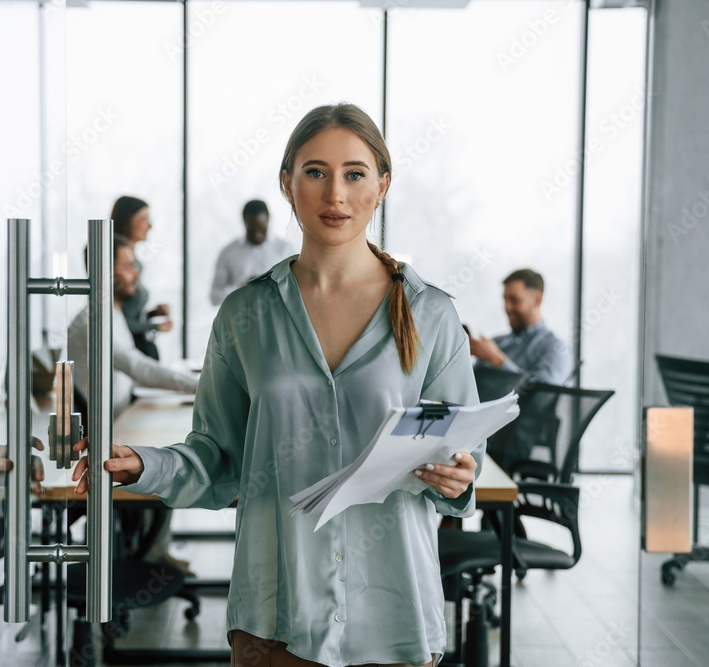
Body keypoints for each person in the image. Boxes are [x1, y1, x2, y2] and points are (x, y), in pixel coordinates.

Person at [73, 103, 483, 667]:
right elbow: (218, 460)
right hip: (274, 622)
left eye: (354, 173)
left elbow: (461, 462)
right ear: (287, 184)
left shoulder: (432, 314)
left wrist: (458, 477)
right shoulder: (246, 314)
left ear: (382, 185)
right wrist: (144, 466)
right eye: (315, 172)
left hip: (395, 621)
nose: (334, 193)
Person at [67, 237, 198, 417]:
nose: (136, 275)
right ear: (107, 273)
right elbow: (139, 368)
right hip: (105, 434)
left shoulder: (113, 313)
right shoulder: (91, 323)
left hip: (121, 421)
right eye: (128, 266)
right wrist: (201, 386)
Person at [467, 268, 572, 386]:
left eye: (514, 300)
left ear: (537, 300)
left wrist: (497, 360)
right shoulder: (496, 342)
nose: (507, 307)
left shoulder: (555, 348)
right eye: (505, 300)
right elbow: (469, 386)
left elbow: (542, 395)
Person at [111, 196, 172, 360]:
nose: (150, 225)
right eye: (144, 219)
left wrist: (152, 314)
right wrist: (155, 325)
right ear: (127, 221)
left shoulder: (136, 265)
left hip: (140, 349)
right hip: (130, 352)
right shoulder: (111, 260)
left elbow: (129, 314)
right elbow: (117, 320)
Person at [209, 199, 296, 305]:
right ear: (244, 222)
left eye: (261, 229)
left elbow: (296, 292)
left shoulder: (286, 250)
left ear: (268, 220)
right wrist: (242, 288)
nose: (256, 235)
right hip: (239, 318)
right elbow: (214, 298)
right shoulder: (228, 253)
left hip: (277, 318)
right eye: (252, 230)